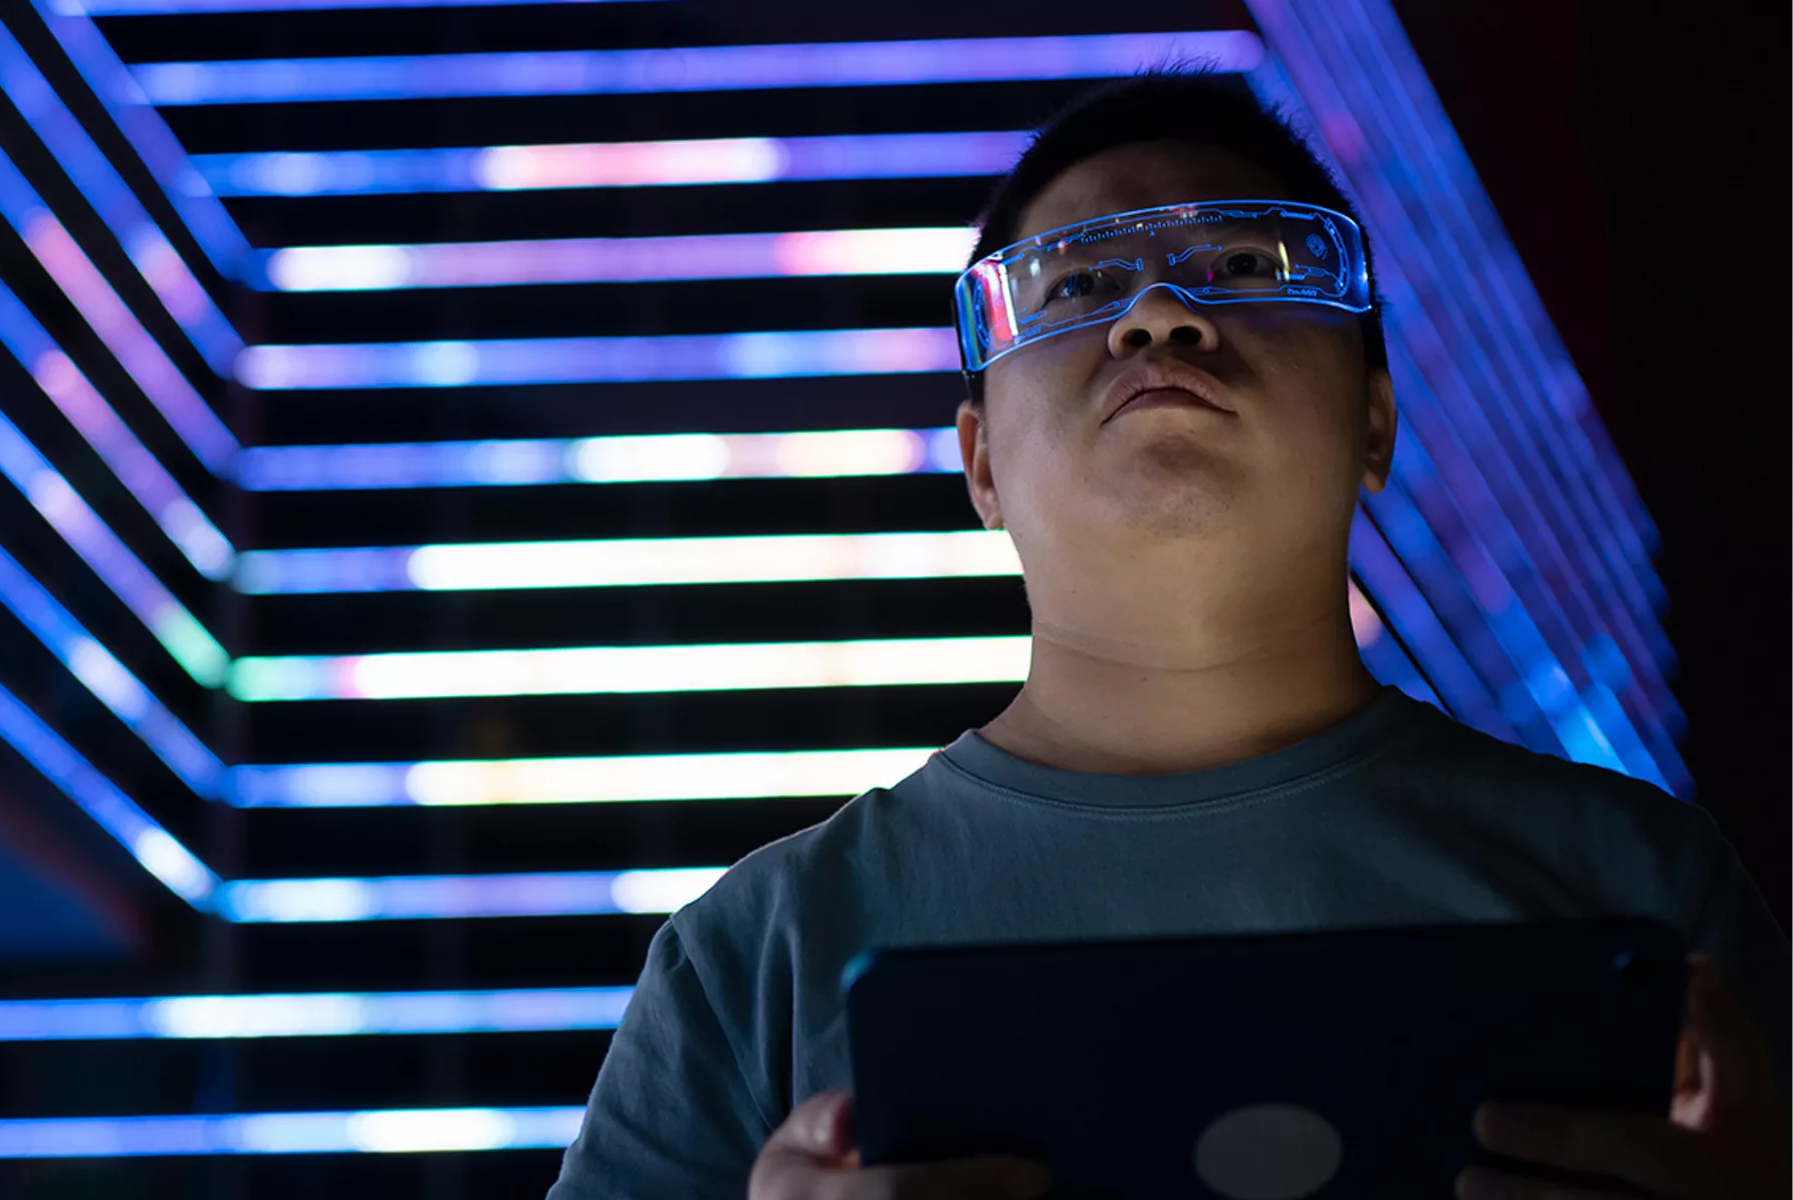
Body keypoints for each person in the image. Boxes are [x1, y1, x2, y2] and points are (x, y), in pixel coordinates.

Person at [547, 68, 1791, 1199]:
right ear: (979, 465)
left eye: (1243, 268)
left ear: (1374, 424)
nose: (1156, 315)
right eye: (1080, 285)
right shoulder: (747, 964)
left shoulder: (1645, 894)